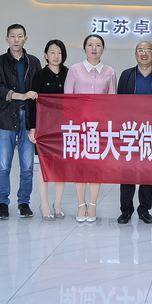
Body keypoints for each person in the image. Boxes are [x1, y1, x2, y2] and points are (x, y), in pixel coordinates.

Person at [116, 41, 152, 224]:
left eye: (148, 50)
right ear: (135, 54)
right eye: (140, 50)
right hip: (129, 131)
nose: (144, 53)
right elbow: (118, 104)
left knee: (148, 172)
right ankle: (126, 210)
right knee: (127, 171)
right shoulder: (126, 75)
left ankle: (144, 209)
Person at [0, 24, 41, 219]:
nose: (16, 39)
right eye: (13, 36)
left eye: (20, 36)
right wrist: (21, 96)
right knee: (4, 164)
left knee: (27, 165)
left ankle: (24, 202)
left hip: (27, 117)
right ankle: (2, 203)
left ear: (25, 39)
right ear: (7, 39)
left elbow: (37, 90)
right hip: (5, 116)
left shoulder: (34, 62)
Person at [65, 34, 117, 223]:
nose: (94, 48)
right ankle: (81, 204)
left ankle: (93, 204)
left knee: (96, 166)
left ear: (103, 49)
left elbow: (112, 101)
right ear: (84, 48)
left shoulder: (110, 72)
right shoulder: (75, 69)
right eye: (90, 45)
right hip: (79, 126)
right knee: (80, 166)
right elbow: (67, 99)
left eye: (98, 45)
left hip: (100, 128)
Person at [29, 40, 69, 221]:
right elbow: (32, 103)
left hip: (65, 126)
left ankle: (57, 204)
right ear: (45, 55)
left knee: (61, 166)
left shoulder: (68, 73)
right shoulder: (39, 75)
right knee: (44, 165)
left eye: (59, 52)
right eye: (52, 52)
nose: (56, 56)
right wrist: (33, 128)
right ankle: (44, 204)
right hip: (44, 126)